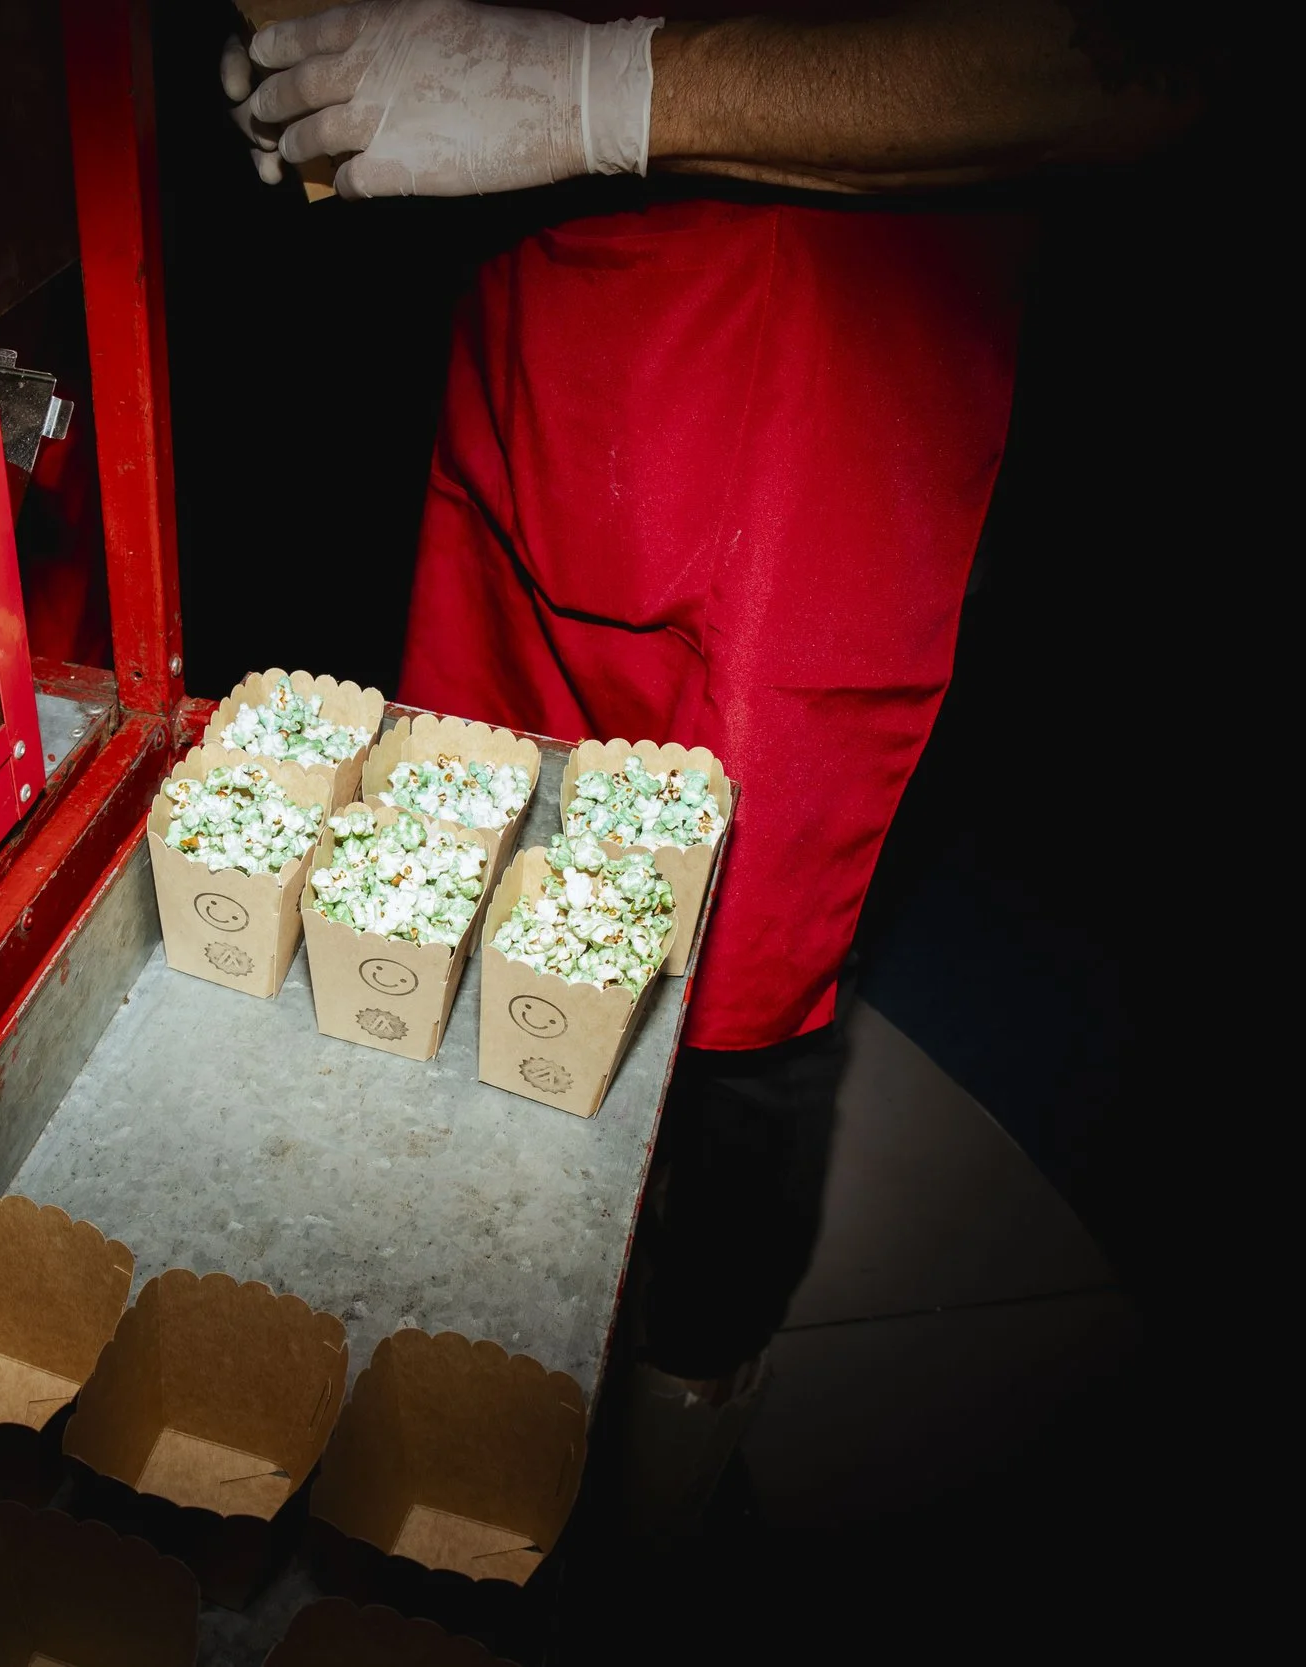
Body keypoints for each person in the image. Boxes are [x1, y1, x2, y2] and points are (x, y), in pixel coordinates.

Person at [223, 0, 1203, 1519]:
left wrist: (585, 86)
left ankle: (671, 1433)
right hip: (546, 333)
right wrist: (350, 74)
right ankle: (448, 1335)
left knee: (738, 994)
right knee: (446, 867)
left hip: (825, 367)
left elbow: (1141, 57)